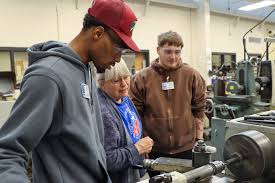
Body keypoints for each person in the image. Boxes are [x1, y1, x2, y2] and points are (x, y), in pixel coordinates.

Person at [0, 0, 140, 182]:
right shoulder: (48, 76)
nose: (118, 58)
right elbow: (7, 153)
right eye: (118, 48)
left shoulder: (87, 70)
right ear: (98, 33)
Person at [129, 31, 206, 176]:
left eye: (177, 52)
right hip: (155, 149)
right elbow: (135, 115)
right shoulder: (142, 78)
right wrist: (141, 144)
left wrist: (199, 140)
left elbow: (199, 109)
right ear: (158, 50)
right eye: (168, 51)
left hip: (186, 148)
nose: (173, 56)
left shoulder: (192, 75)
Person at [97, 59, 154, 183]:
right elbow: (108, 160)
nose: (124, 84)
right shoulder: (103, 112)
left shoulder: (124, 98)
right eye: (116, 80)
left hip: (136, 172)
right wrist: (137, 149)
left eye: (126, 77)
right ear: (102, 83)